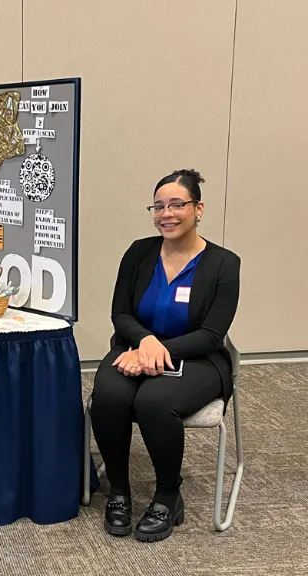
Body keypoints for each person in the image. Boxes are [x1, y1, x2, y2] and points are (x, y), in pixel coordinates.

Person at [90, 169, 240, 543]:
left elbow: (211, 334)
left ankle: (168, 496)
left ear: (198, 208)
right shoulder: (138, 252)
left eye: (177, 204)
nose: (166, 214)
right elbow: (120, 314)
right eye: (158, 206)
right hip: (133, 348)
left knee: (155, 401)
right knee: (108, 395)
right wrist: (143, 343)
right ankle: (120, 491)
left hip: (200, 359)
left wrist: (158, 350)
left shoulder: (224, 264)